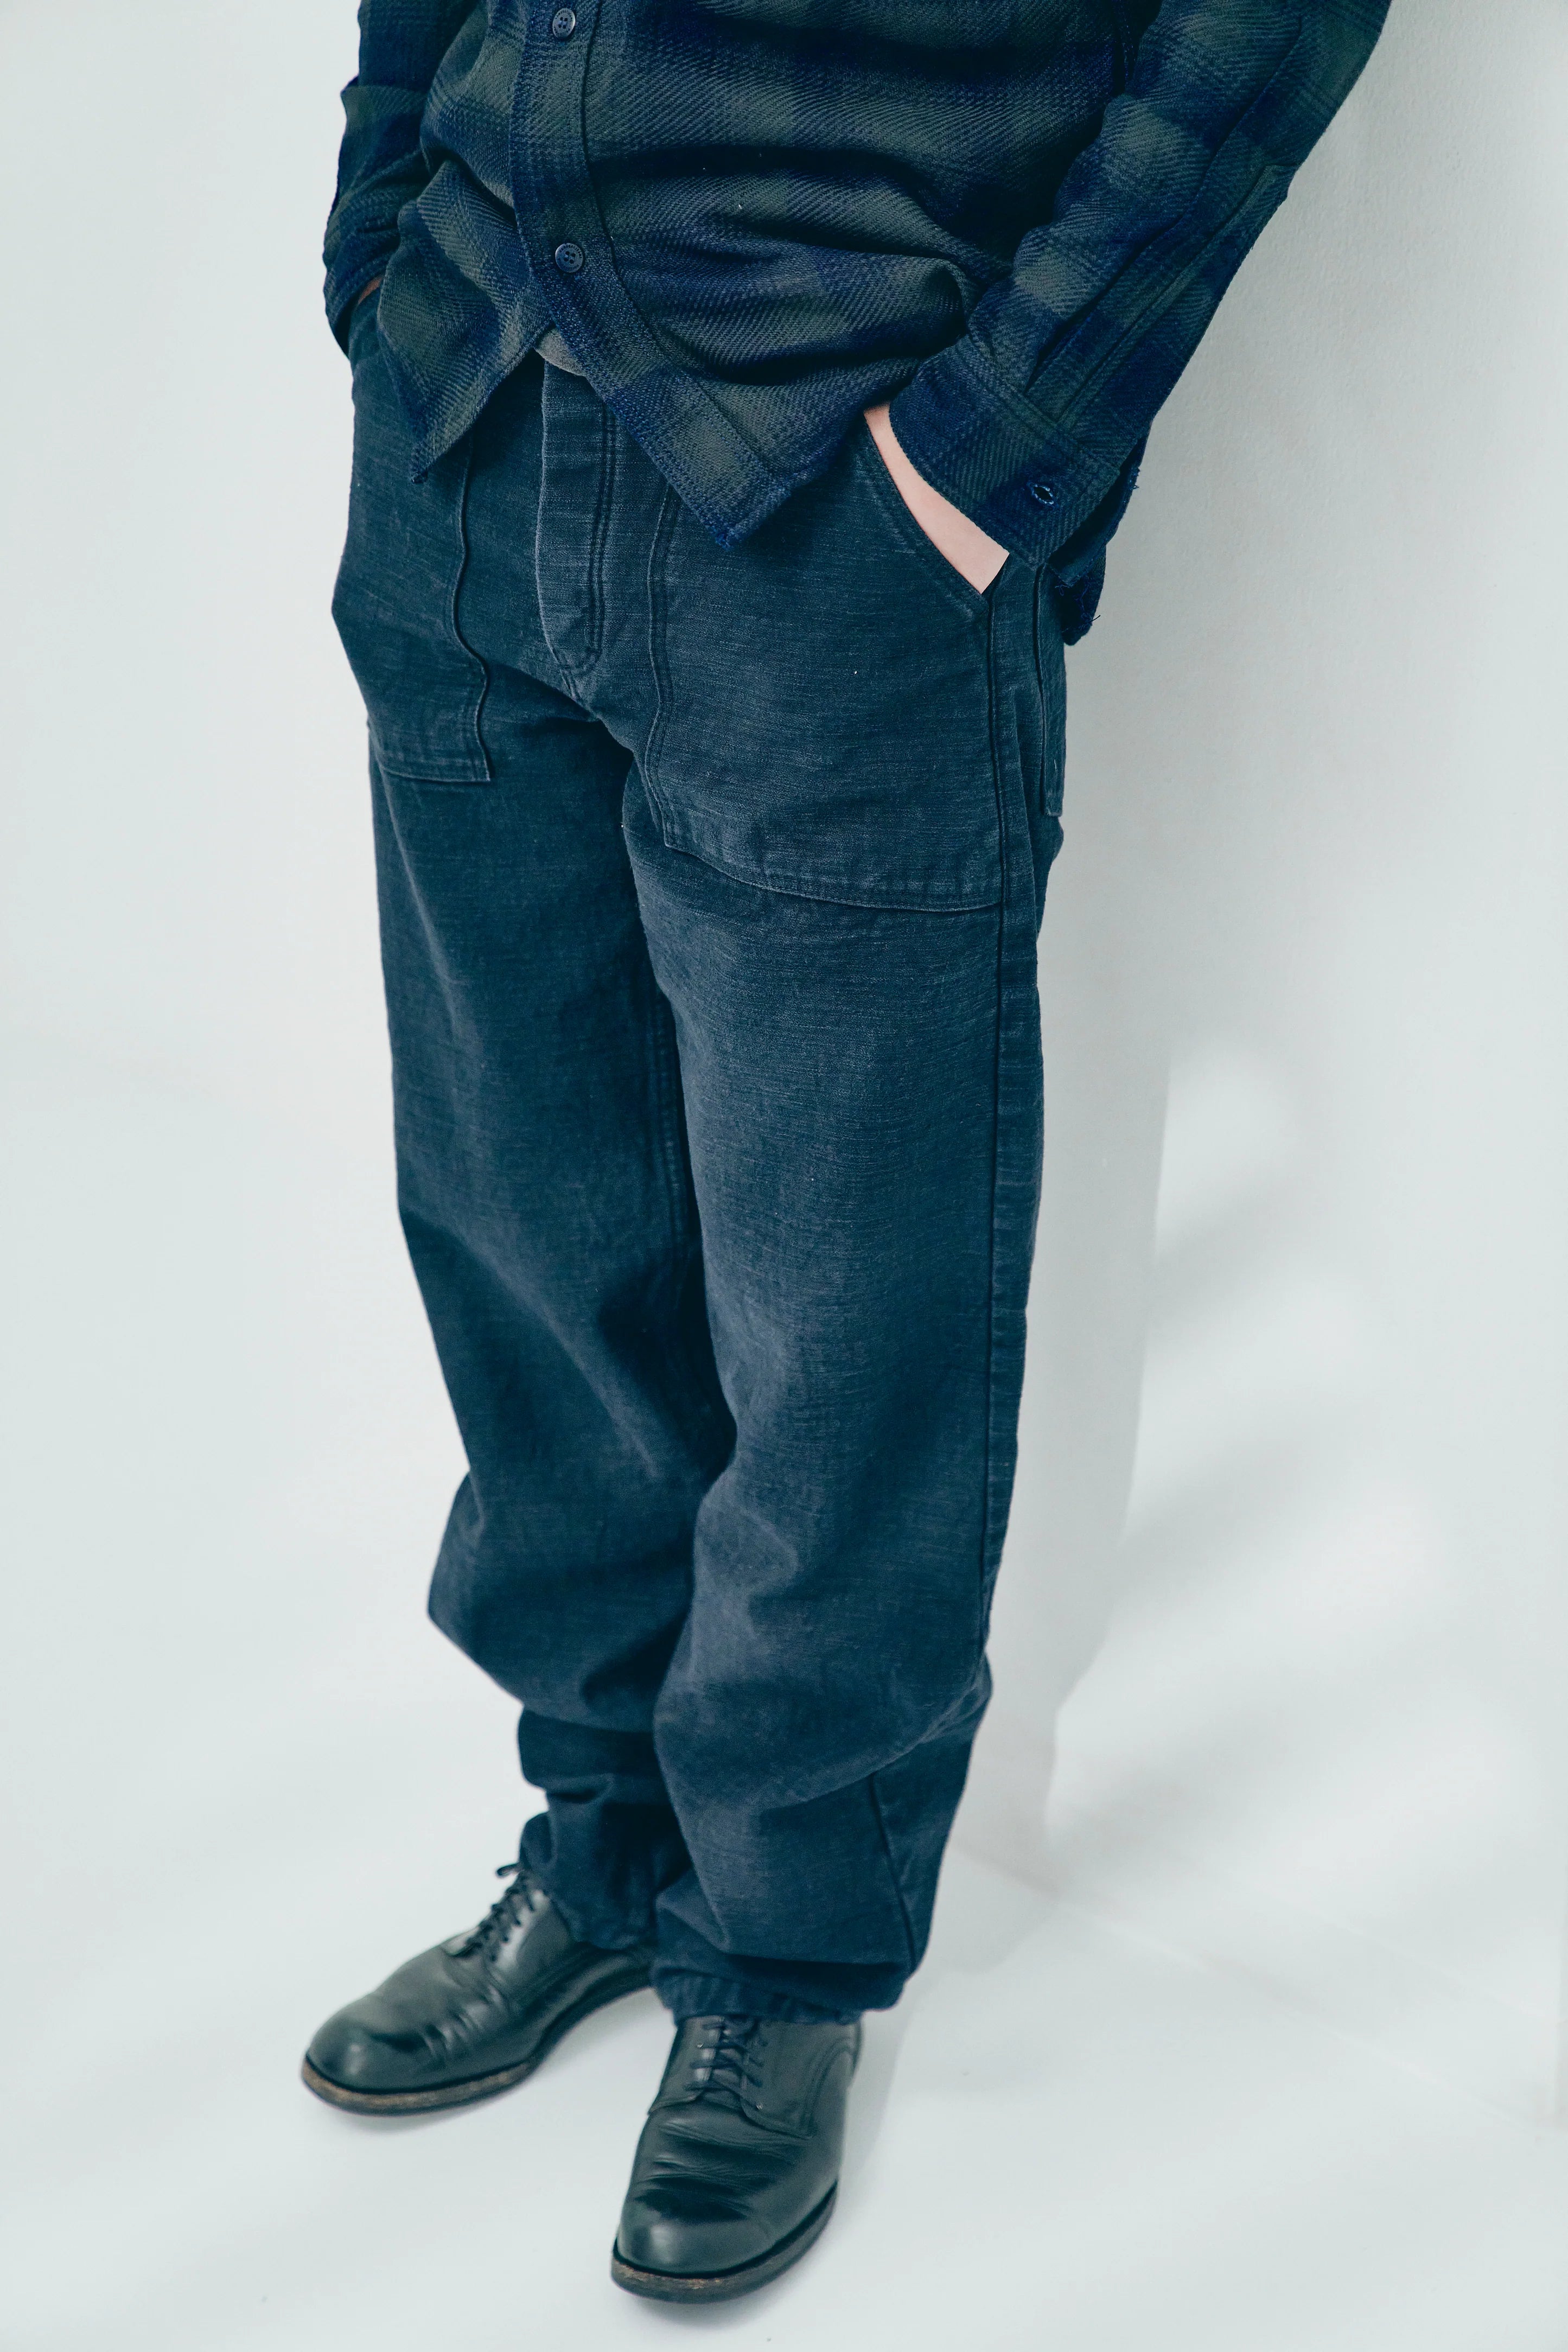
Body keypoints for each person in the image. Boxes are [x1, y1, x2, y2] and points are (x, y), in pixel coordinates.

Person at [302, 0, 1389, 2303]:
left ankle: (781, 1958)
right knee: (527, 1223)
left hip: (834, 492)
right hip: (467, 415)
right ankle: (604, 1842)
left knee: (846, 1306)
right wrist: (378, 233)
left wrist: (990, 456)